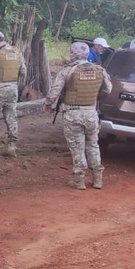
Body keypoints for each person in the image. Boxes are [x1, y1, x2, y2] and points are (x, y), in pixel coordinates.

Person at [44, 41, 113, 190]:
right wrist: (96, 98)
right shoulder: (99, 70)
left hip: (73, 114)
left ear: (72, 54)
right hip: (91, 113)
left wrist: (48, 105)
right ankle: (97, 179)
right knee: (93, 145)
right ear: (87, 54)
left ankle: (79, 180)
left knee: (77, 147)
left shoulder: (67, 71)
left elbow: (54, 92)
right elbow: (108, 89)